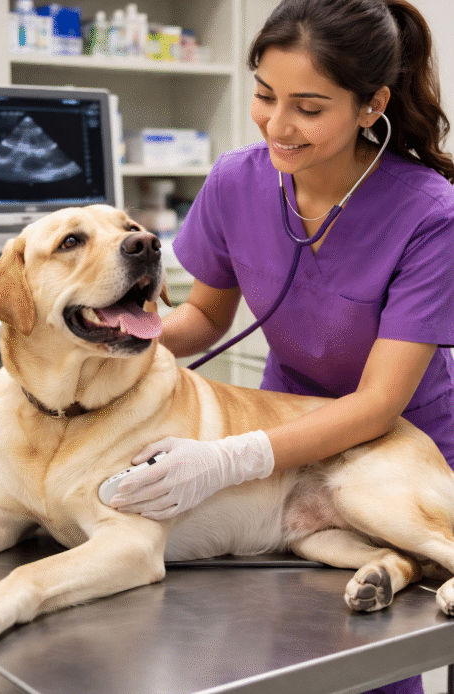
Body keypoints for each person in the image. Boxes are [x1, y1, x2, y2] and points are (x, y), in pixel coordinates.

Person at [111, 2, 454, 692]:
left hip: (398, 441)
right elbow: (205, 318)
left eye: (309, 107)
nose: (277, 124)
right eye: (265, 96)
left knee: (373, 661)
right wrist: (119, 334)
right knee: (279, 645)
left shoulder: (430, 214)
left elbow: (379, 401)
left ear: (371, 105)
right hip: (279, 430)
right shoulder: (237, 181)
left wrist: (229, 457)